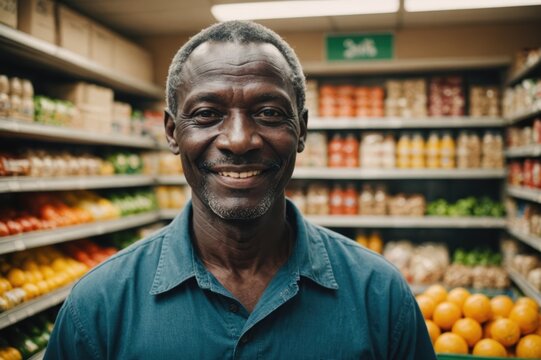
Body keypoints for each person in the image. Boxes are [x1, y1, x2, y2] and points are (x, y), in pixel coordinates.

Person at [45, 21, 436, 359]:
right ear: (171, 132)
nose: (238, 140)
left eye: (268, 113)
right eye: (206, 114)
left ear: (301, 130)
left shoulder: (381, 297)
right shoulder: (98, 306)